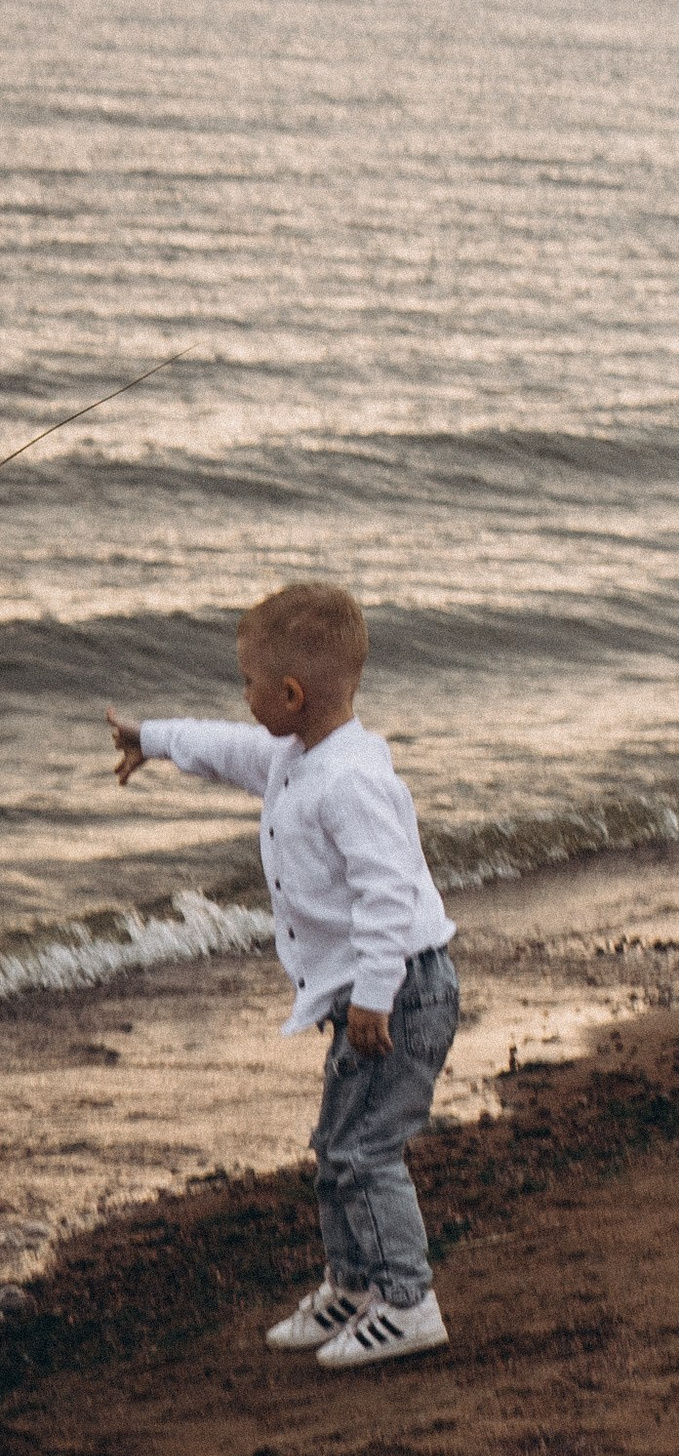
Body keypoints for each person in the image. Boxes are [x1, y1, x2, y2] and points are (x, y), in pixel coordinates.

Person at [108, 581, 460, 1368]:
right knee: (337, 1145)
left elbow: (388, 893)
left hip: (401, 992)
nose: (243, 697)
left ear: (291, 694)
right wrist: (153, 738)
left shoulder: (348, 780)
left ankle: (409, 1302)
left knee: (367, 1152)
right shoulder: (299, 756)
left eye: (249, 684)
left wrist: (374, 995)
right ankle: (355, 1284)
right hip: (373, 998)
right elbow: (230, 749)